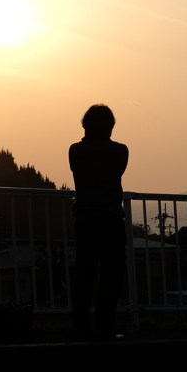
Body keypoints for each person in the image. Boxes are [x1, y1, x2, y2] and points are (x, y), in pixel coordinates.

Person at [69, 104, 129, 340]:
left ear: (86, 125)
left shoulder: (75, 150)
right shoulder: (120, 151)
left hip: (84, 220)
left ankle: (80, 326)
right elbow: (118, 173)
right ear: (110, 127)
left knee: (84, 274)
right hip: (111, 219)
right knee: (111, 276)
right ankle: (105, 327)